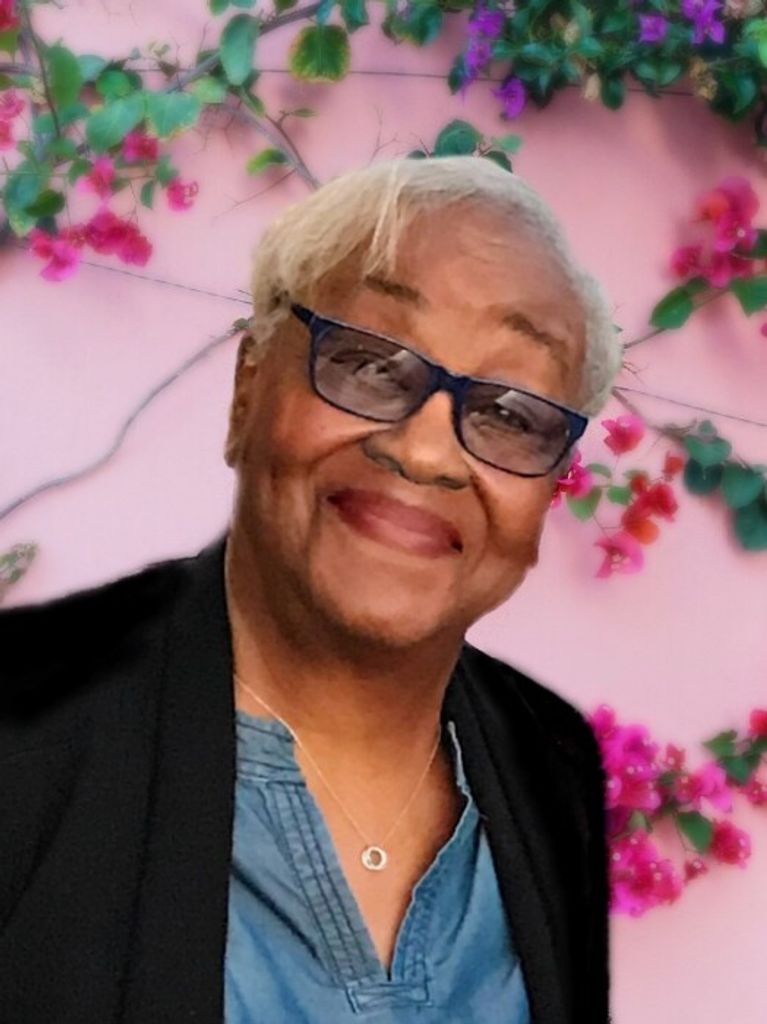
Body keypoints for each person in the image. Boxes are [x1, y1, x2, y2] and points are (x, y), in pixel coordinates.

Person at [0, 155, 620, 1023]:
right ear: (248, 386)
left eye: (510, 412)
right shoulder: (28, 729)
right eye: (371, 363)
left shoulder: (547, 762)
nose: (425, 451)